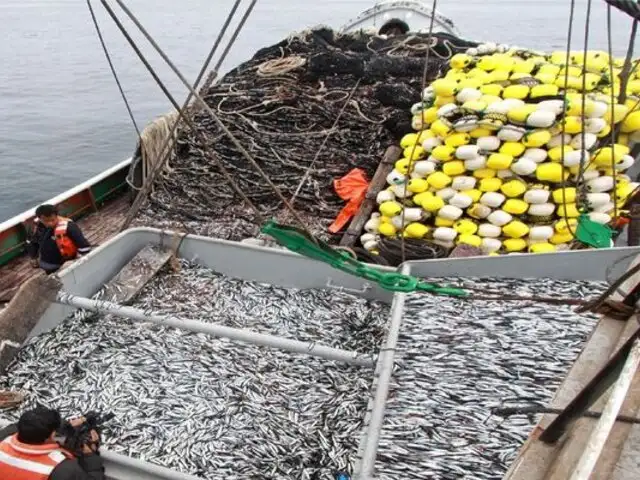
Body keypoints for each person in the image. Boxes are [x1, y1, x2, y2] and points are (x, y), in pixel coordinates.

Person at [0, 407, 105, 479]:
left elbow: (20, 426)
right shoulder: (63, 469)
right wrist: (90, 455)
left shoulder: (3, 437)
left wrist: (73, 423)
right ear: (52, 435)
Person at [27, 205, 92, 274]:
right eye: (46, 221)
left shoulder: (69, 227)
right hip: (46, 264)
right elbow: (33, 242)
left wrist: (75, 262)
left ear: (56, 216)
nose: (50, 223)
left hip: (65, 265)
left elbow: (84, 247)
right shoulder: (37, 228)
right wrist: (33, 257)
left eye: (52, 220)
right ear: (40, 219)